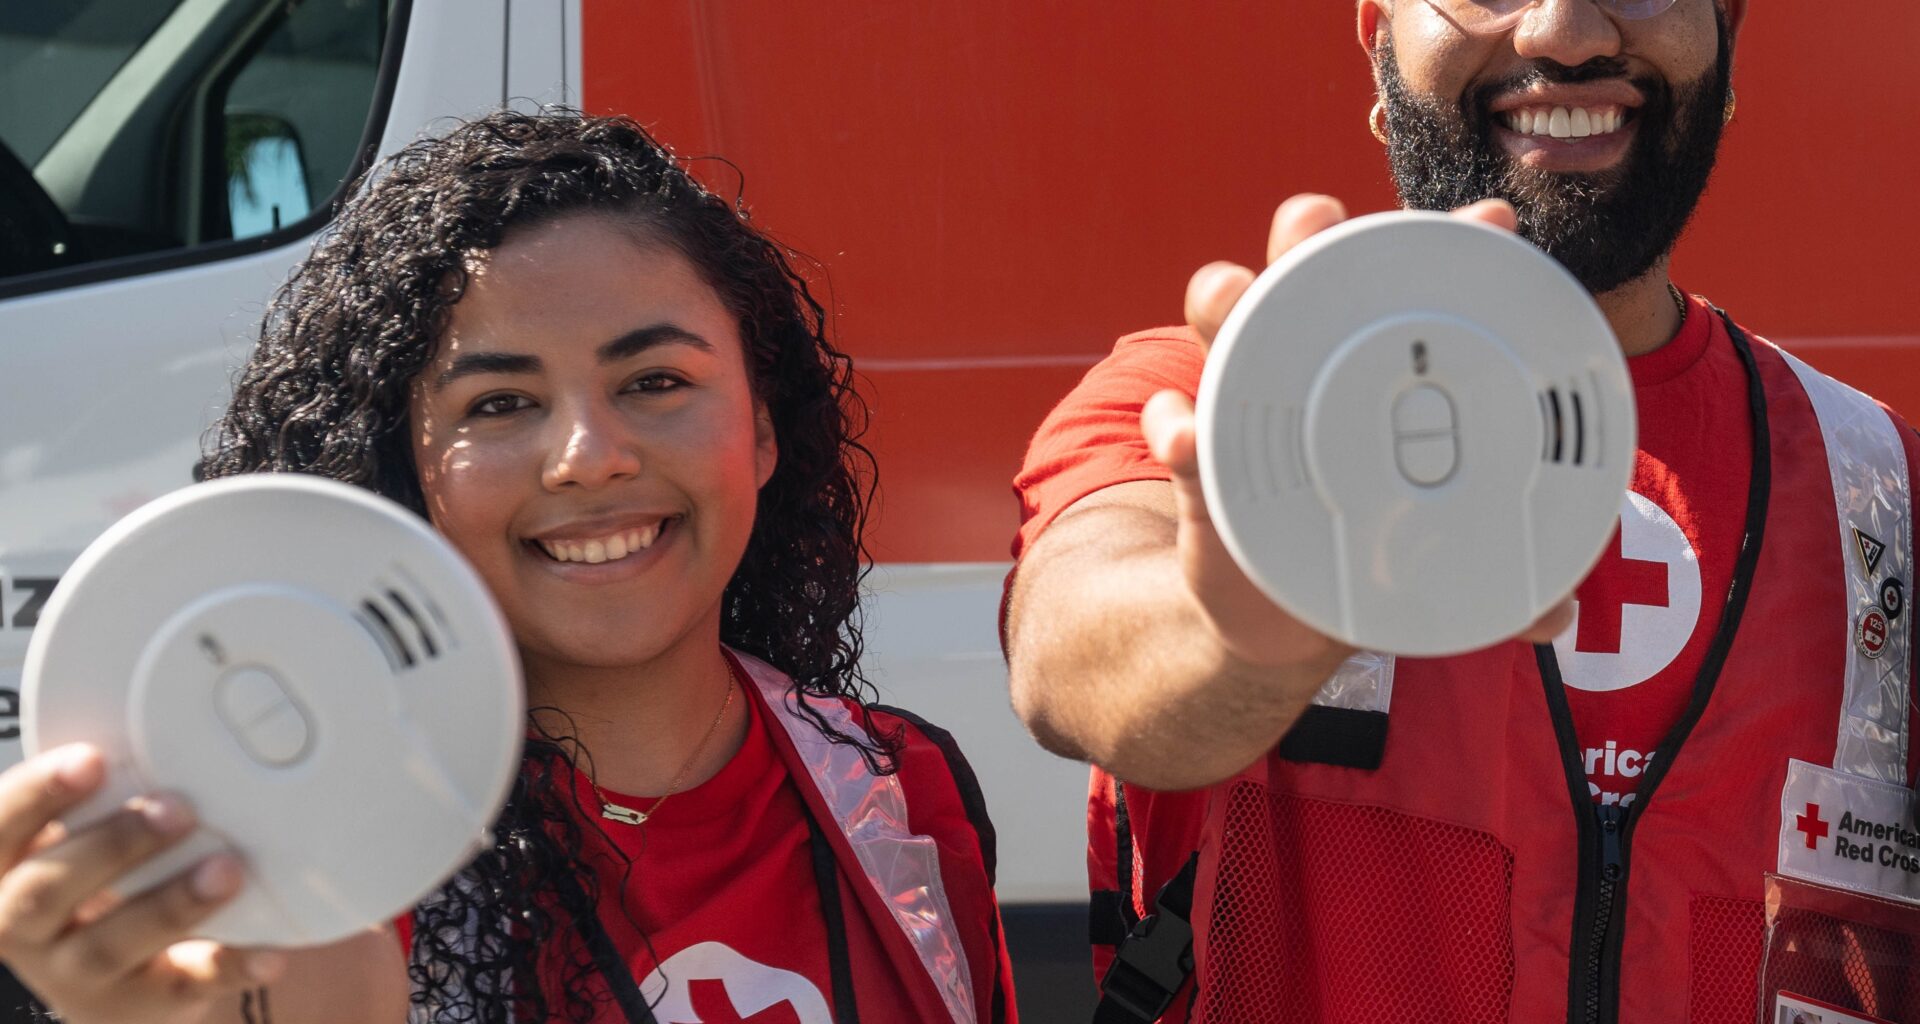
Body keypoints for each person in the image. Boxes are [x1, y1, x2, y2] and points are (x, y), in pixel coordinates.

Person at [1005, 1, 1920, 1022]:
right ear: (1378, 41)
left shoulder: (1883, 487)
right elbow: (1066, 650)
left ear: (1729, 36)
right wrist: (1252, 628)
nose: (1567, 31)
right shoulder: (1215, 405)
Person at [0, 110, 1016, 1024]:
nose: (589, 455)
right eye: (499, 404)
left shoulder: (900, 787)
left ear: (761, 428)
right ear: (408, 472)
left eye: (656, 380)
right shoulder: (319, 862)